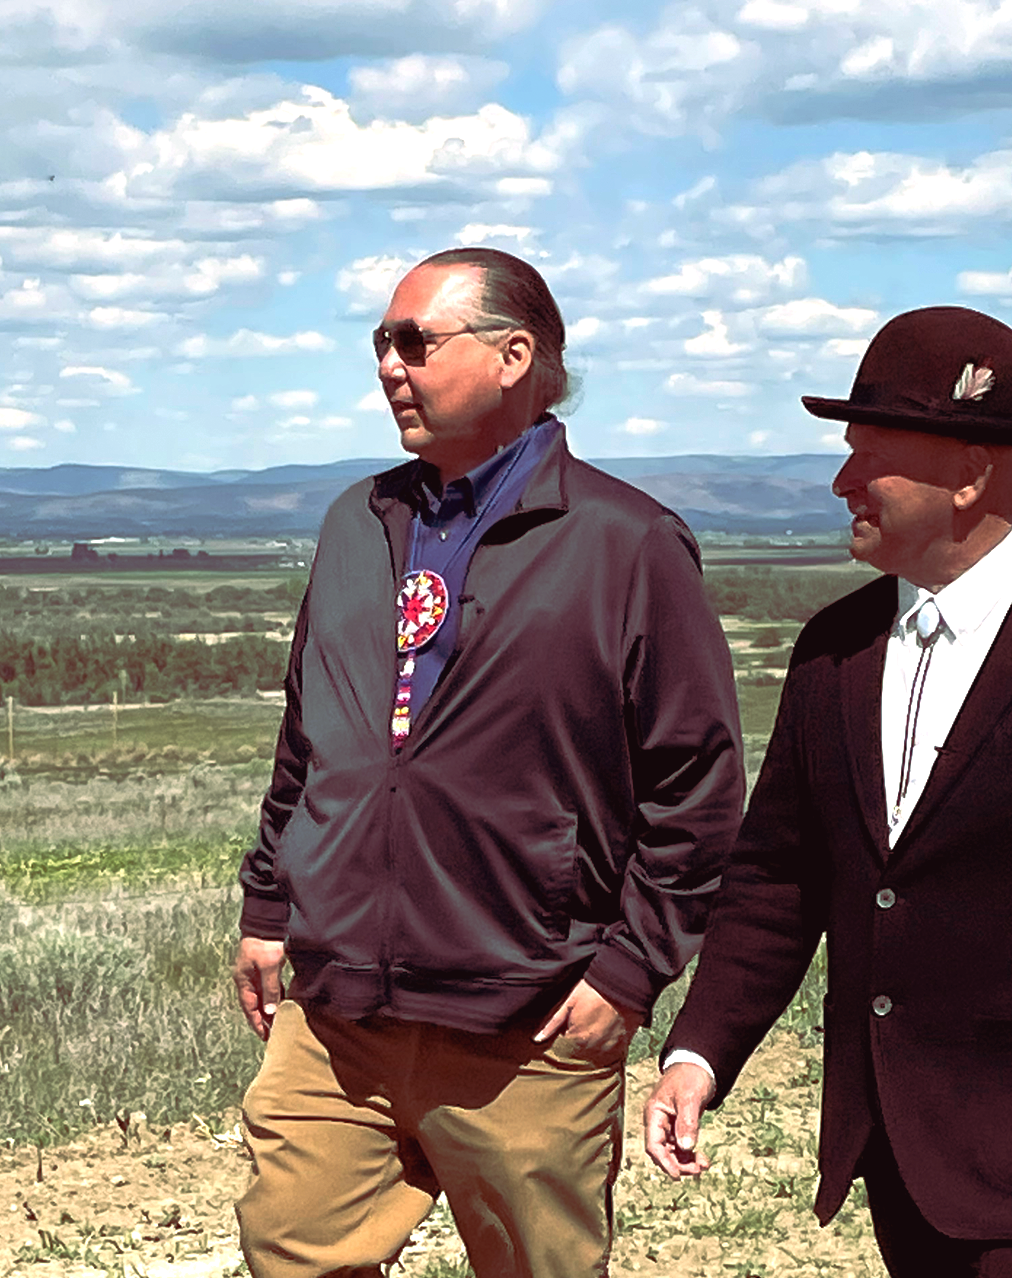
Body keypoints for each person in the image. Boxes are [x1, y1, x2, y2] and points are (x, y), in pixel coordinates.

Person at [643, 306, 1012, 1277]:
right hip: (894, 1150)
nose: (841, 480)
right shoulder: (832, 652)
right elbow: (774, 882)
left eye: (870, 455)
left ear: (969, 471)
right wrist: (700, 1053)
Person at [235, 246, 745, 1278]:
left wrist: (630, 969)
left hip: (525, 1014)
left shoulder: (624, 541)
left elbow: (695, 786)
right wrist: (267, 905)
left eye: (414, 341)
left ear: (513, 356)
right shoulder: (357, 523)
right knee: (288, 1253)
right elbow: (310, 736)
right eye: (381, 342)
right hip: (339, 1011)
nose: (389, 365)